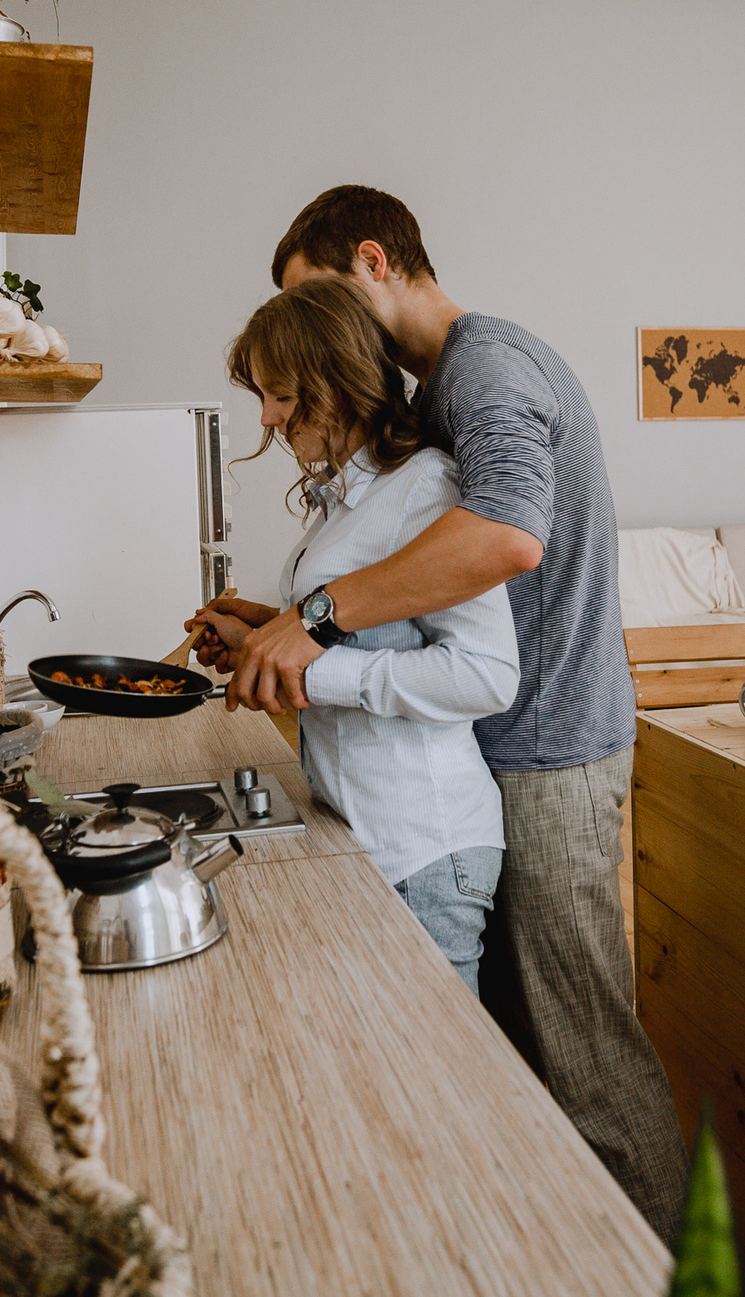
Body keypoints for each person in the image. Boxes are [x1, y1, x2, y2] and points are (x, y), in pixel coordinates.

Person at [205, 186, 687, 1243]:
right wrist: (291, 623)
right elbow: (410, 589)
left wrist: (314, 627)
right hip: (505, 752)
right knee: (521, 1059)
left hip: (549, 747)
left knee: (586, 1057)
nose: (316, 338)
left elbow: (505, 539)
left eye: (317, 299)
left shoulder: (486, 369)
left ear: (372, 263)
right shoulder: (443, 389)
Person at [189, 275, 518, 988]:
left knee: (436, 1086)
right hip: (368, 837)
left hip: (425, 849)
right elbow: (358, 625)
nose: (270, 419)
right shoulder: (343, 498)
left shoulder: (426, 486)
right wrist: (265, 631)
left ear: (333, 382)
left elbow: (487, 672)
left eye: (280, 394)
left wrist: (307, 674)